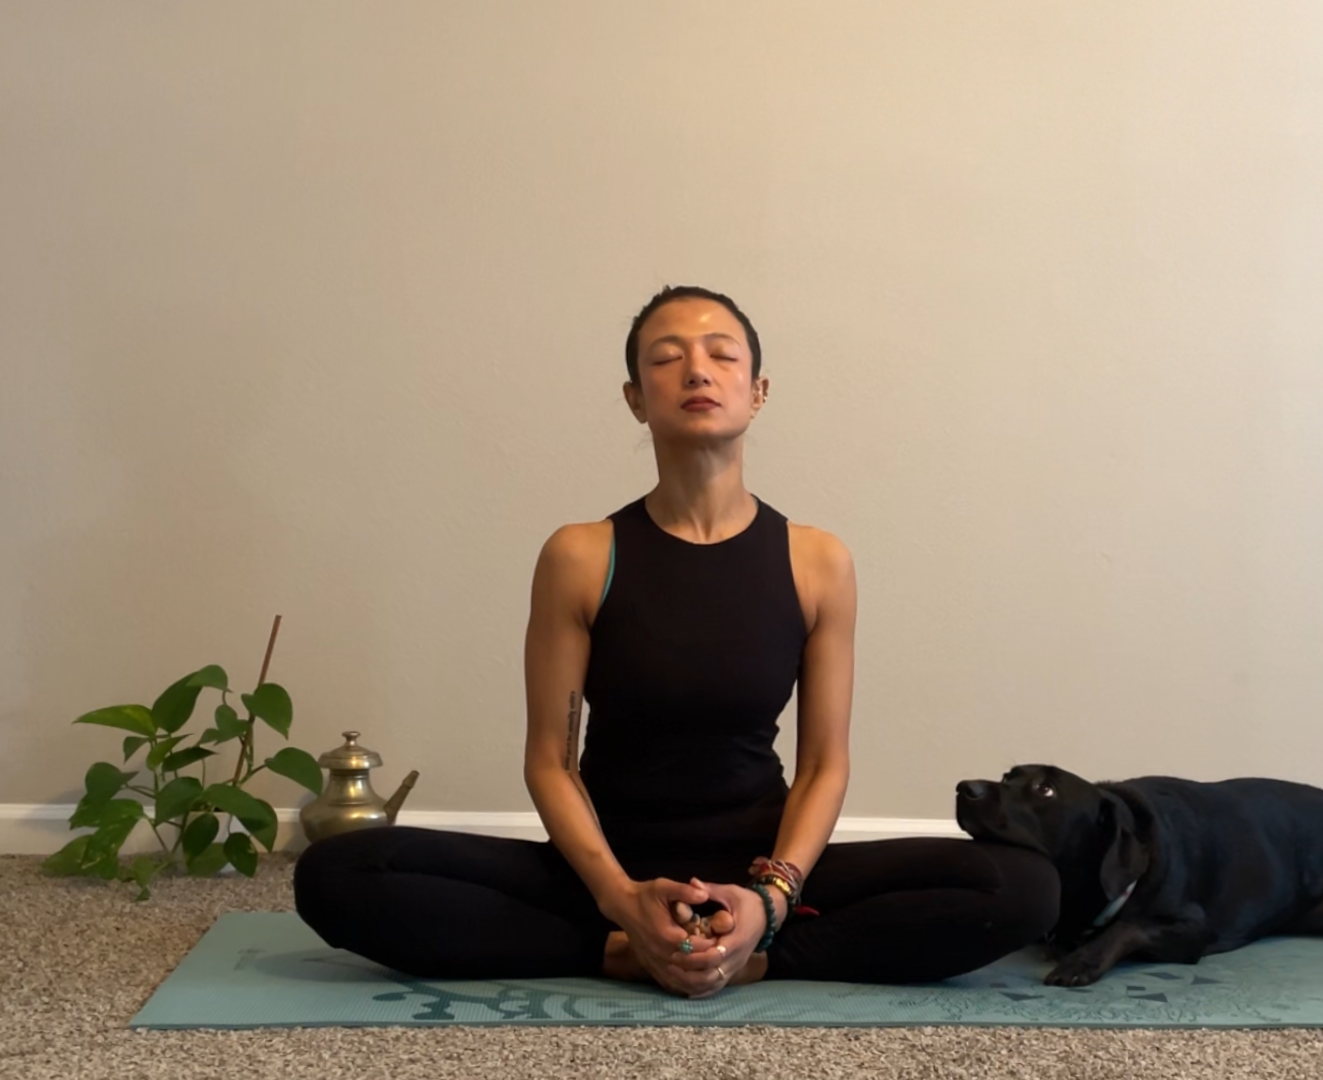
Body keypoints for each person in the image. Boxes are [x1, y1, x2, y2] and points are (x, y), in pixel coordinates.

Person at [294, 285, 1059, 996]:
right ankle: (625, 948)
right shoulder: (581, 556)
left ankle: (753, 949)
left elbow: (825, 762)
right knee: (338, 872)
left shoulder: (817, 561)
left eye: (723, 354)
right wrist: (622, 900)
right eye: (666, 358)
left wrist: (770, 899)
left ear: (757, 392)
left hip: (761, 864)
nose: (697, 368)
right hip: (605, 866)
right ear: (636, 399)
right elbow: (551, 762)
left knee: (1023, 888)